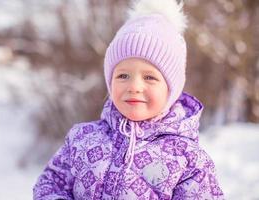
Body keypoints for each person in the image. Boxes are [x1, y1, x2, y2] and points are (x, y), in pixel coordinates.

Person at [33, 0, 224, 199]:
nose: (134, 87)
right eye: (123, 76)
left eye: (149, 77)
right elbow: (51, 182)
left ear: (171, 89)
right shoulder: (82, 138)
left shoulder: (188, 158)